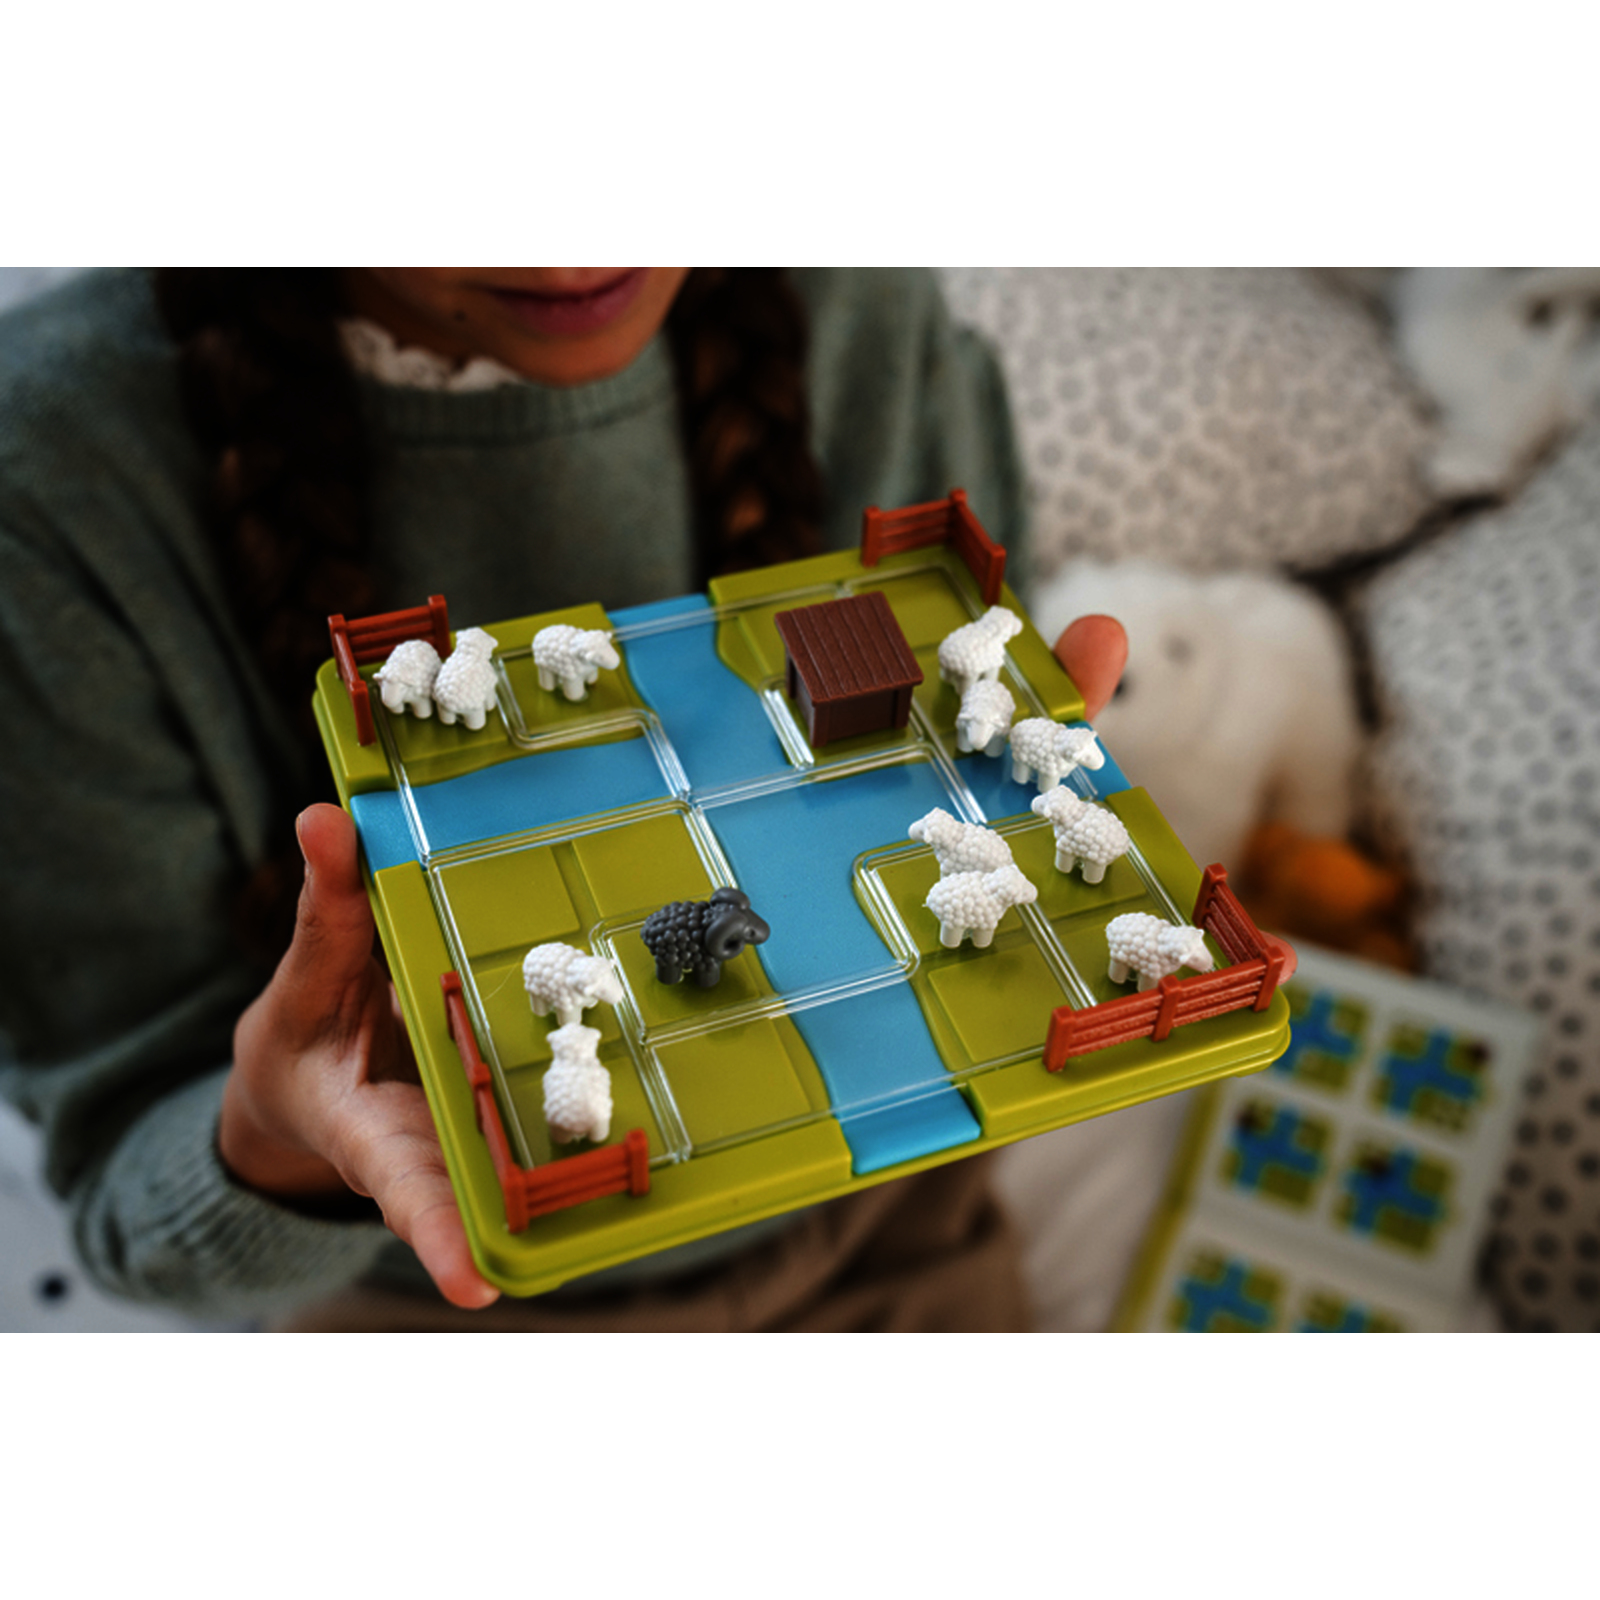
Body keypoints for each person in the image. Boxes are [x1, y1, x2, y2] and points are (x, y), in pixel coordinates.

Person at [0, 268, 1128, 1330]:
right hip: (440, 1300)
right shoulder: (49, 482)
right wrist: (274, 1133)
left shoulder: (866, 310)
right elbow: (132, 1195)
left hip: (890, 1228)